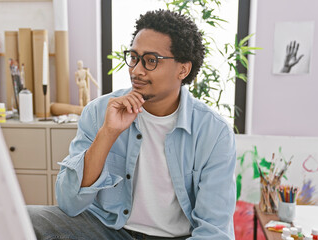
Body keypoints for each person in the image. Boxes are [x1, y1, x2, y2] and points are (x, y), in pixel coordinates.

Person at [28, 9, 236, 240]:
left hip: (176, 237)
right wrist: (108, 133)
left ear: (183, 69)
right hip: (109, 230)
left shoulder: (213, 132)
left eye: (150, 61)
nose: (136, 70)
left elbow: (214, 231)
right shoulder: (100, 111)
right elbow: (69, 202)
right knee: (28, 219)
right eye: (134, 58)